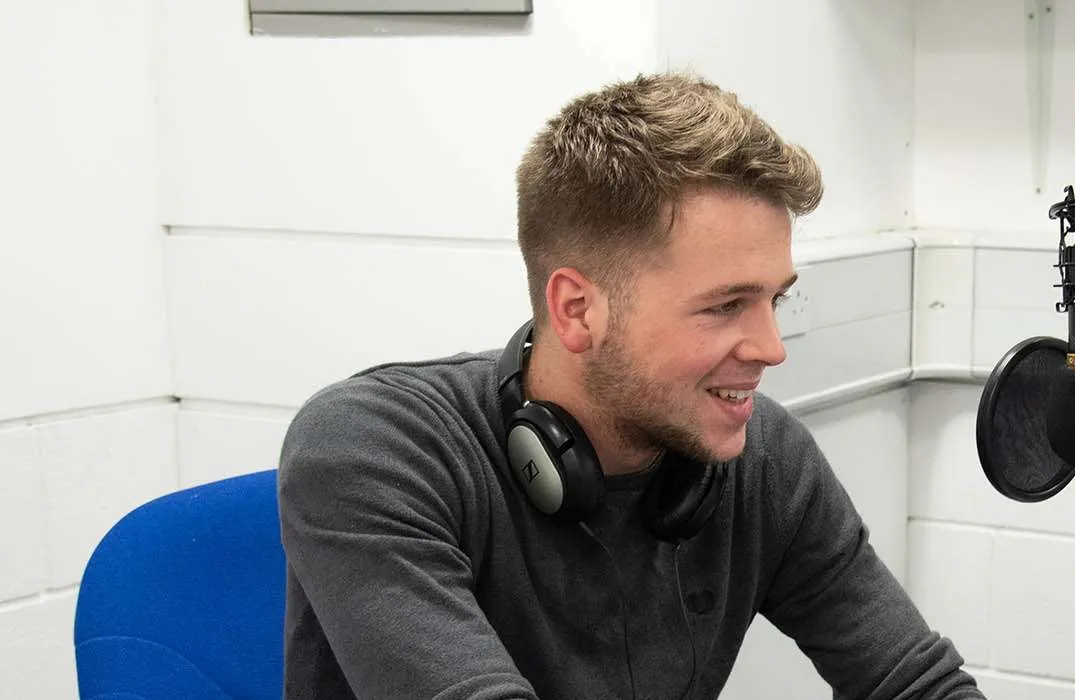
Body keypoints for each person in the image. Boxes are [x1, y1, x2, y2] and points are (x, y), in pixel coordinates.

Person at [276, 72, 984, 700]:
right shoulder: (370, 451)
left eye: (778, 299)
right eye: (725, 306)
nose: (771, 349)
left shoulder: (763, 459)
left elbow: (911, 681)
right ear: (578, 310)